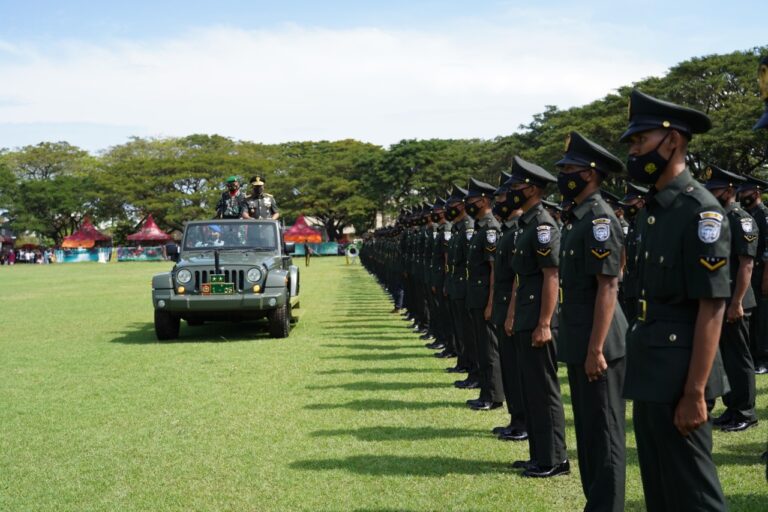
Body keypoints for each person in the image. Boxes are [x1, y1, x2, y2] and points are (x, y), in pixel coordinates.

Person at [620, 89, 729, 511]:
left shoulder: (700, 212)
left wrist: (695, 392)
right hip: (649, 365)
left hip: (682, 372)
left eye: (639, 140)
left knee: (695, 495)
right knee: (661, 491)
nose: (634, 151)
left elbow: (712, 305)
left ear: (673, 141)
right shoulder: (653, 210)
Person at [556, 131, 627, 510]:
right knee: (587, 431)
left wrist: (597, 348)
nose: (564, 175)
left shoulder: (600, 219)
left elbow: (608, 287)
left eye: (570, 169)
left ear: (591, 173)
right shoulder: (580, 218)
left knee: (605, 431)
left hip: (599, 343)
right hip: (582, 337)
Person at [504, 156, 569, 478]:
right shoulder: (526, 224)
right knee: (531, 389)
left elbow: (551, 276)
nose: (511, 191)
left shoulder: (543, 225)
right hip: (527, 314)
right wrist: (515, 313)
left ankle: (555, 458)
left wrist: (545, 322)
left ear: (531, 189)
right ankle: (539, 454)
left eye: (516, 186)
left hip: (540, 318)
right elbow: (522, 278)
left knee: (544, 390)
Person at [703, 165, 759, 433]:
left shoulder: (741, 219)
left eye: (714, 189)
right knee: (725, 356)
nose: (710, 194)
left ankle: (746, 411)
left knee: (739, 357)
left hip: (737, 299)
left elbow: (746, 265)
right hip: (721, 298)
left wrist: (737, 302)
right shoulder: (720, 218)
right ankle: (732, 407)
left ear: (728, 190)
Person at [490, 173, 528, 441]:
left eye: (502, 196)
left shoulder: (519, 231)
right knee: (510, 368)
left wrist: (512, 312)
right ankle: (516, 420)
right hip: (505, 305)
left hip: (515, 307)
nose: (499, 202)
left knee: (518, 371)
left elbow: (519, 277)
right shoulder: (509, 229)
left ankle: (523, 422)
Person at [463, 177, 505, 411]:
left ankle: (494, 395)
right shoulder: (481, 227)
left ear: (484, 201)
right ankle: (485, 391)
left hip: (485, 298)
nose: (468, 203)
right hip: (476, 296)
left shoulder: (490, 228)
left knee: (490, 349)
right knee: (482, 347)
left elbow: (493, 270)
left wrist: (491, 302)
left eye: (471, 199)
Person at [619, 182, 649, 322]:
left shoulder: (646, 223)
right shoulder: (633, 224)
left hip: (642, 287)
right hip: (630, 286)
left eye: (631, 201)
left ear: (641, 202)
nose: (627, 205)